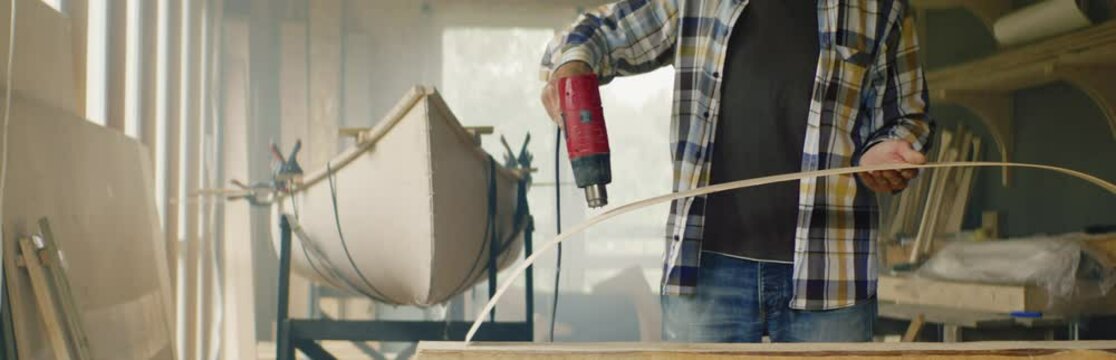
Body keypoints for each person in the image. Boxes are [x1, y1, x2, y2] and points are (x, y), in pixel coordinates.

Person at [540, 0, 935, 343]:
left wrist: (887, 150)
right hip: (706, 272)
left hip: (832, 273)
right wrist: (573, 61)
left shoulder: (880, 9)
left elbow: (906, 117)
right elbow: (598, 32)